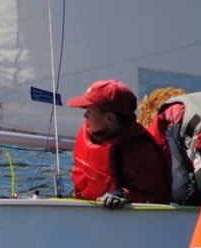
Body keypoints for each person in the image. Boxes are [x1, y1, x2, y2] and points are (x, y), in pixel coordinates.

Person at [67, 79, 171, 209]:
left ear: (109, 118)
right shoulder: (88, 132)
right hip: (86, 212)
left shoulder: (138, 150)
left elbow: (159, 200)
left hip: (119, 220)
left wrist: (125, 196)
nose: (85, 115)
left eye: (89, 110)